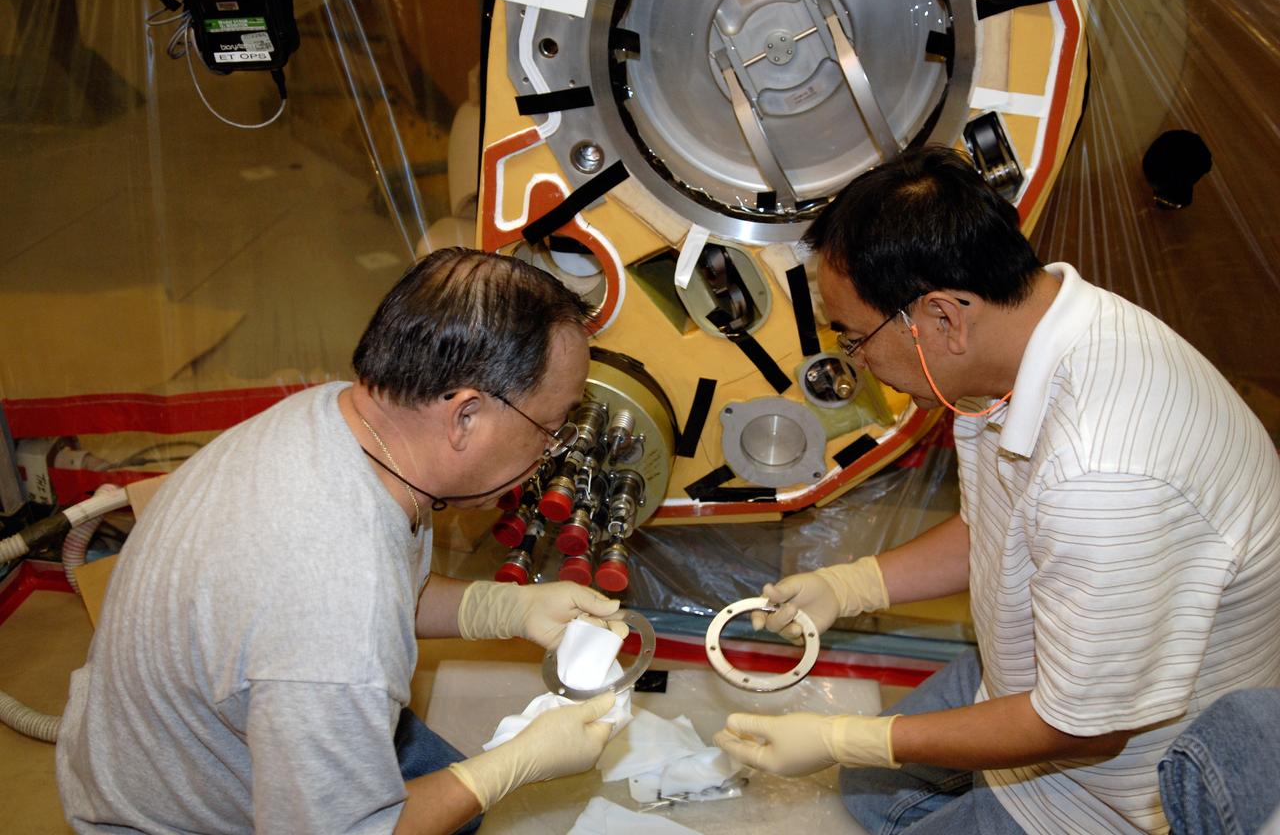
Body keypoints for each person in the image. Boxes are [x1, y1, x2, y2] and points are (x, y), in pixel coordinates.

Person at [713, 147, 1280, 834]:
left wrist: (849, 739)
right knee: (868, 794)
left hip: (1107, 787)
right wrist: (855, 583)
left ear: (944, 317)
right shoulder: (1027, 344)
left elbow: (1086, 731)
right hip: (1036, 680)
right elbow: (1004, 523)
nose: (856, 364)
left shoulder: (1104, 474)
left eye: (856, 339)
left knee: (866, 777)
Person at [58, 248, 627, 834]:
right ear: (464, 417)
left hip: (181, 745)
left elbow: (382, 588)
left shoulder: (352, 418)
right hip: (178, 817)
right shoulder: (336, 617)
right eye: (550, 428)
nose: (548, 452)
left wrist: (505, 607)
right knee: (462, 805)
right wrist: (510, 766)